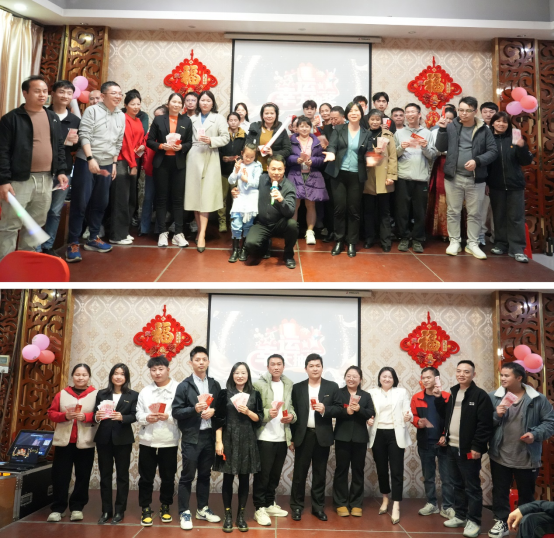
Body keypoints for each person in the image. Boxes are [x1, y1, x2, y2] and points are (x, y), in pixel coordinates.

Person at [0, 75, 68, 260]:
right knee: (10, 225)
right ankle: (5, 265)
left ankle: (25, 262)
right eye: (37, 91)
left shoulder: (52, 117)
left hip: (46, 179)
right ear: (25, 93)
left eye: (45, 91)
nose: (42, 95)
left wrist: (61, 170)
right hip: (19, 180)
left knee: (35, 224)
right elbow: (2, 151)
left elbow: (58, 146)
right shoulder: (11, 119)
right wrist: (4, 180)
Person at [487, 362, 554, 538]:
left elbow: (550, 423)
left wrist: (534, 434)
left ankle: (524, 526)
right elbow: (482, 424)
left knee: (526, 493)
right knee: (500, 491)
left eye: (506, 375)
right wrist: (496, 415)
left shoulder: (537, 399)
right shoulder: (493, 397)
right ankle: (502, 522)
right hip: (500, 454)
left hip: (527, 456)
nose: (502, 378)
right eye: (501, 375)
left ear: (519, 378)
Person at [66, 80, 125, 262]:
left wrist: (113, 163)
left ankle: (93, 238)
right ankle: (73, 242)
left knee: (101, 202)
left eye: (120, 93)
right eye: (114, 93)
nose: (118, 96)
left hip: (107, 164)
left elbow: (118, 141)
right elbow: (84, 135)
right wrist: (90, 158)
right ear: (104, 95)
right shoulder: (92, 111)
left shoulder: (121, 115)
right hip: (87, 162)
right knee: (80, 202)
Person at [436, 360, 494, 538]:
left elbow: (485, 425)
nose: (461, 374)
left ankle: (474, 521)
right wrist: (438, 398)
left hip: (469, 450)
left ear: (473, 374)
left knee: (472, 487)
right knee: (457, 484)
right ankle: (460, 516)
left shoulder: (480, 395)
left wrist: (477, 446)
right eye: (459, 371)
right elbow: (446, 415)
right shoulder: (453, 392)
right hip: (451, 447)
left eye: (466, 372)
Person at [435, 96, 498, 259]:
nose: (463, 113)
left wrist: (477, 161)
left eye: (467, 111)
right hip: (453, 177)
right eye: (461, 110)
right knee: (453, 211)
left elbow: (493, 151)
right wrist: (442, 130)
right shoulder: (451, 126)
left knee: (475, 213)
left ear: (475, 111)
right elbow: (440, 147)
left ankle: (472, 243)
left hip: (476, 178)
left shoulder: (484, 129)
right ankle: (454, 241)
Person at [172, 346, 222, 531]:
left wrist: (213, 411)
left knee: (205, 475)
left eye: (204, 359)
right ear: (190, 362)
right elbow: (176, 412)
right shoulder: (184, 386)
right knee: (187, 476)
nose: (201, 363)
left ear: (208, 362)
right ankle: (184, 512)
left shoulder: (215, 385)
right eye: (197, 360)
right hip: (192, 437)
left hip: (209, 436)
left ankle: (202, 509)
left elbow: (221, 409)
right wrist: (194, 409)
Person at [213, 362, 263, 532]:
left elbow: (259, 419)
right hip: (228, 438)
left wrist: (248, 412)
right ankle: (228, 515)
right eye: (237, 373)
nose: (240, 376)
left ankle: (241, 515)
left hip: (247, 439)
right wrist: (219, 442)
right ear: (232, 375)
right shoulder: (224, 393)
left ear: (248, 375)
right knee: (227, 478)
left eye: (243, 373)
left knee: (244, 478)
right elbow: (218, 419)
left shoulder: (254, 394)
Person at [289, 353, 339, 522]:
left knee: (319, 474)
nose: (315, 369)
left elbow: (339, 409)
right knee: (299, 474)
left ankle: (318, 507)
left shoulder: (332, 386)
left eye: (318, 365)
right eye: (311, 366)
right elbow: (293, 413)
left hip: (322, 436)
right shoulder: (298, 388)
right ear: (306, 369)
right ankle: (297, 506)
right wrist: (292, 438)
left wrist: (326, 409)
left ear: (322, 368)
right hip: (303, 436)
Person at [46, 364, 98, 522]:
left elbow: (100, 415)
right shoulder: (62, 394)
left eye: (84, 375)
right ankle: (58, 508)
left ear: (89, 377)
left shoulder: (96, 394)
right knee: (60, 476)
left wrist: (86, 417)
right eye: (77, 374)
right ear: (72, 376)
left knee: (83, 476)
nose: (80, 378)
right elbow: (51, 413)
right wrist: (65, 416)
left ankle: (77, 507)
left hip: (86, 441)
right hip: (64, 442)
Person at [252, 354, 296, 526]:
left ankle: (269, 503)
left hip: (282, 437)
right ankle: (259, 507)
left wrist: (292, 416)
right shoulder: (258, 384)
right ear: (267, 367)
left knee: (275, 475)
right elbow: (253, 409)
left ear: (283, 366)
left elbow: (291, 407)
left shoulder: (288, 384)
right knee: (262, 475)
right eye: (273, 364)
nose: (276, 367)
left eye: (279, 364)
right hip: (264, 436)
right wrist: (266, 414)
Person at [136, 356, 180, 527]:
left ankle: (165, 506)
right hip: (147, 440)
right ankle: (145, 507)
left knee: (168, 477)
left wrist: (168, 417)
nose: (157, 373)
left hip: (169, 440)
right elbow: (138, 413)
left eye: (161, 369)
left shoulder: (179, 389)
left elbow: (183, 414)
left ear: (168, 369)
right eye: (153, 370)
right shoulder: (145, 391)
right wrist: (147, 417)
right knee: (145, 477)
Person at [323, 101, 370, 257]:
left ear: (361, 114)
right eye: (351, 111)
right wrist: (331, 153)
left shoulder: (366, 133)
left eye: (357, 111)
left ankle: (351, 243)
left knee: (354, 210)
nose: (354, 113)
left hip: (357, 175)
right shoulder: (339, 129)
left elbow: (369, 151)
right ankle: (338, 241)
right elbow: (332, 145)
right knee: (339, 209)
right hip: (339, 174)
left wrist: (373, 156)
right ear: (347, 114)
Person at [94, 363, 138, 525]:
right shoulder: (102, 393)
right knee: (105, 476)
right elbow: (94, 414)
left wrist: (122, 418)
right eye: (116, 373)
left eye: (122, 374)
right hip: (103, 439)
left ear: (126, 377)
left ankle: (120, 510)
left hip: (123, 439)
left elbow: (135, 415)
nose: (119, 376)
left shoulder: (133, 395)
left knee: (122, 476)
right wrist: (97, 416)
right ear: (111, 376)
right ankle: (106, 510)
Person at [185, 90, 230, 252]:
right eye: (202, 100)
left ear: (212, 103)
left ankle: (202, 234)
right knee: (195, 197)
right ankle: (199, 230)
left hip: (210, 156)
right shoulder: (191, 119)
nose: (205, 103)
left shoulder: (219, 118)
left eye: (208, 100)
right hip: (193, 157)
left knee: (206, 197)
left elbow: (226, 138)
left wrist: (211, 140)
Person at [147, 92, 193, 248]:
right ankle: (162, 232)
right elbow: (149, 141)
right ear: (168, 104)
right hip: (162, 164)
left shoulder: (186, 121)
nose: (176, 105)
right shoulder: (159, 120)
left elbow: (189, 142)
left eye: (179, 102)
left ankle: (178, 233)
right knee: (161, 199)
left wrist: (182, 147)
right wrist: (161, 146)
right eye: (174, 102)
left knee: (178, 199)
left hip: (178, 164)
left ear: (182, 105)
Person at [367, 367, 412, 525]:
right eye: (384, 376)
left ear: (394, 379)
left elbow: (408, 410)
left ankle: (396, 504)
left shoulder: (401, 392)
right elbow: (368, 412)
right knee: (381, 469)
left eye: (390, 377)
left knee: (397, 470)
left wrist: (408, 416)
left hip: (395, 434)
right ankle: (385, 499)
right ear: (379, 378)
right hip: (378, 433)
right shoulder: (371, 393)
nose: (387, 379)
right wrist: (368, 419)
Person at [40, 80, 80, 257]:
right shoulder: (42, 114)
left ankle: (48, 245)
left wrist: (75, 143)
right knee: (39, 210)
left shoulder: (75, 120)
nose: (65, 96)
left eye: (69, 93)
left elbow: (72, 149)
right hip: (42, 169)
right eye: (62, 92)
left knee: (55, 210)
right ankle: (34, 247)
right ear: (53, 93)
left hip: (64, 170)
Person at [487, 111, 533, 263]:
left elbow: (526, 161)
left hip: (515, 185)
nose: (501, 124)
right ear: (493, 123)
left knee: (516, 217)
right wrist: (486, 183)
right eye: (498, 121)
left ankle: (517, 249)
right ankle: (501, 244)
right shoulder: (488, 139)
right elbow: (486, 164)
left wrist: (521, 147)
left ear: (508, 124)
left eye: (504, 121)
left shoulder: (515, 138)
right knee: (499, 216)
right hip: (495, 184)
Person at [410, 367, 454, 519]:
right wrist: (417, 421)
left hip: (444, 443)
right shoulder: (417, 397)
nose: (425, 380)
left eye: (429, 377)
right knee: (428, 477)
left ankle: (447, 506)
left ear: (436, 379)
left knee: (447, 478)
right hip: (425, 443)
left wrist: (444, 435)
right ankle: (431, 504)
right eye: (423, 378)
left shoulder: (447, 396)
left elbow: (451, 419)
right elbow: (413, 416)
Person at [240, 154, 298, 269]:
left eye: (280, 169)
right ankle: (265, 244)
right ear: (267, 168)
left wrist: (281, 200)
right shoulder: (261, 179)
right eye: (273, 169)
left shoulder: (289, 187)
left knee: (293, 225)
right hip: (261, 223)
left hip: (279, 224)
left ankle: (288, 255)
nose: (276, 172)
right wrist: (236, 190)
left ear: (284, 169)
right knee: (251, 244)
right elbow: (247, 189)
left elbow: (290, 212)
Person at [394, 103, 437, 253]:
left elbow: (432, 156)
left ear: (419, 114)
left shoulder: (427, 133)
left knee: (419, 211)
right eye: (407, 112)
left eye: (413, 112)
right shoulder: (399, 133)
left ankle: (418, 239)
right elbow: (393, 155)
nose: (410, 114)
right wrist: (401, 147)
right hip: (403, 176)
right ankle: (404, 237)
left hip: (421, 178)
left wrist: (425, 147)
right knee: (402, 210)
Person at [332, 366, 374, 517]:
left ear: (360, 379)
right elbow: (334, 411)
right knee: (341, 470)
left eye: (355, 376)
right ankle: (341, 503)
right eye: (348, 376)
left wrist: (359, 410)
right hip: (342, 437)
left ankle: (356, 504)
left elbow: (371, 413)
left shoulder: (366, 395)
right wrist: (346, 411)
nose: (351, 379)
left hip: (360, 438)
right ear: (345, 377)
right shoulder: (338, 393)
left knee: (358, 471)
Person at [110, 89, 145, 245]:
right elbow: (126, 145)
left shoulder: (138, 120)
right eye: (132, 104)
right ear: (125, 105)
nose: (136, 107)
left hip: (134, 160)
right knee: (120, 199)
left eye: (138, 104)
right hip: (123, 161)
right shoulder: (124, 119)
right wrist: (132, 164)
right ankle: (116, 235)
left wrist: (142, 146)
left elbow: (140, 139)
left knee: (130, 199)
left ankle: (124, 231)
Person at [287, 115, 328, 245]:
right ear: (297, 128)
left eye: (307, 126)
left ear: (310, 127)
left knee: (311, 205)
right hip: (295, 174)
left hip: (312, 175)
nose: (304, 129)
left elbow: (322, 159)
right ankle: (292, 232)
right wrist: (296, 159)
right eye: (301, 126)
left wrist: (313, 161)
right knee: (295, 205)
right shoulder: (291, 140)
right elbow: (287, 156)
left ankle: (310, 232)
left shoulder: (316, 141)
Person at [362, 108, 397, 252]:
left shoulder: (388, 135)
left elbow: (393, 157)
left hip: (384, 178)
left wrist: (391, 176)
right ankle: (369, 239)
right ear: (368, 121)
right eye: (372, 119)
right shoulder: (364, 135)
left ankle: (385, 241)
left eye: (377, 119)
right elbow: (360, 156)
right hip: (368, 177)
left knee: (384, 212)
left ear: (381, 121)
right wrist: (372, 154)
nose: (375, 122)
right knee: (368, 212)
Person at [227, 143, 262, 263]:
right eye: (246, 156)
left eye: (251, 157)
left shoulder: (257, 166)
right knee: (236, 224)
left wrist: (246, 179)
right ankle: (235, 250)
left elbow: (257, 183)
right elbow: (231, 180)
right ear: (242, 153)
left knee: (248, 225)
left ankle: (244, 249)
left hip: (251, 198)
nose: (248, 159)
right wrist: (236, 171)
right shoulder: (239, 164)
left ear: (255, 157)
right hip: (240, 197)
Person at [427, 107, 457, 240]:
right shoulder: (434, 131)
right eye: (446, 118)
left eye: (451, 119)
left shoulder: (458, 131)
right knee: (440, 194)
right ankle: (438, 230)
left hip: (455, 164)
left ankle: (453, 232)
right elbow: (434, 150)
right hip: (440, 164)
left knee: (454, 197)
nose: (448, 121)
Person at [139, 104, 167, 236]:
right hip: (150, 170)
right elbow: (144, 149)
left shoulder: (169, 132)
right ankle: (144, 228)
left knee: (161, 200)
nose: (156, 119)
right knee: (148, 199)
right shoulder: (150, 132)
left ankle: (159, 229)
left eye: (159, 117)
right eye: (155, 117)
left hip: (164, 171)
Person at [219, 112, 247, 233]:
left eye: (236, 120)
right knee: (222, 198)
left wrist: (240, 159)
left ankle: (234, 221)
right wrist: (223, 158)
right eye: (231, 120)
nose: (233, 122)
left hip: (237, 172)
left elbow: (246, 152)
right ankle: (222, 222)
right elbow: (217, 150)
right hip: (223, 171)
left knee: (236, 198)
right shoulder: (223, 135)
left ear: (239, 121)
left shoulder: (244, 136)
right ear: (228, 122)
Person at [246, 102, 291, 172]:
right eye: (266, 113)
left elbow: (288, 150)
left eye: (272, 113)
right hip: (254, 167)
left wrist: (273, 153)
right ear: (262, 115)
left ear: (276, 115)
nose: (269, 116)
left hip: (274, 169)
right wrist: (257, 148)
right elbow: (246, 146)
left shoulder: (281, 130)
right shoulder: (255, 128)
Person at [477, 102, 498, 246]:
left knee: (498, 211)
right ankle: (480, 236)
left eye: (491, 112)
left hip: (499, 177)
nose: (488, 115)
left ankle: (498, 238)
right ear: (480, 113)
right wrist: (485, 180)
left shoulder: (503, 130)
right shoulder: (478, 129)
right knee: (481, 210)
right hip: (483, 177)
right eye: (485, 112)